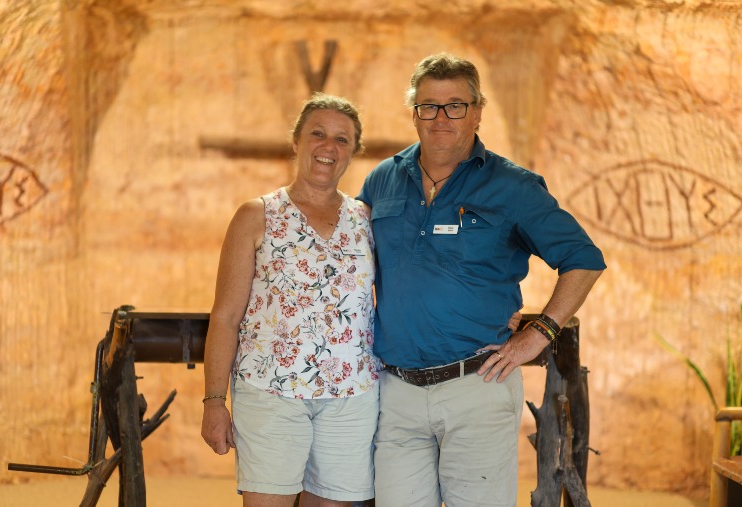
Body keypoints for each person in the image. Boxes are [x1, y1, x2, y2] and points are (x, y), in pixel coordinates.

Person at [357, 53, 606, 506]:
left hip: (477, 385)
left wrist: (538, 333)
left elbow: (583, 260)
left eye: (455, 105)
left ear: (477, 112)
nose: (441, 118)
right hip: (395, 394)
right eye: (428, 106)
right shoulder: (382, 180)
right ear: (414, 113)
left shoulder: (513, 187)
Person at [200, 93, 380, 507]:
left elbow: (406, 289)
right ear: (296, 140)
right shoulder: (256, 215)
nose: (328, 146)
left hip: (350, 397)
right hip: (270, 391)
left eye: (342, 139)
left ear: (353, 152)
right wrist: (214, 401)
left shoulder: (367, 220)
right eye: (318, 133)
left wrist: (495, 307)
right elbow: (225, 317)